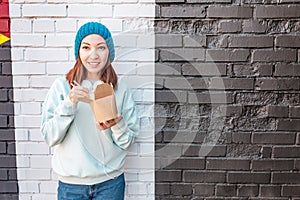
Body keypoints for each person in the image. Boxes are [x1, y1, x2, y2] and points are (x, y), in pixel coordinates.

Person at [40, 22, 139, 200]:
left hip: (110, 184)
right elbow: (50, 136)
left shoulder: (121, 89)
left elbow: (127, 142)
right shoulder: (61, 87)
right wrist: (70, 103)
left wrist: (117, 124)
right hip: (71, 186)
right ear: (78, 51)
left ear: (109, 52)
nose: (93, 55)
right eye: (86, 47)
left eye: (101, 47)